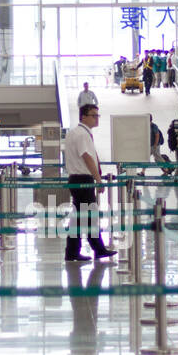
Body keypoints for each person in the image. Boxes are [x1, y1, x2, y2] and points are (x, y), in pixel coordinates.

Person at [63, 99, 116, 263]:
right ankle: (97, 249)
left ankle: (73, 251)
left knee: (78, 218)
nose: (97, 118)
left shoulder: (74, 133)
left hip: (75, 178)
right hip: (83, 179)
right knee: (89, 216)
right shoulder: (82, 134)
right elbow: (87, 157)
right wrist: (98, 180)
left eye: (97, 115)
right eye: (93, 115)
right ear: (83, 117)